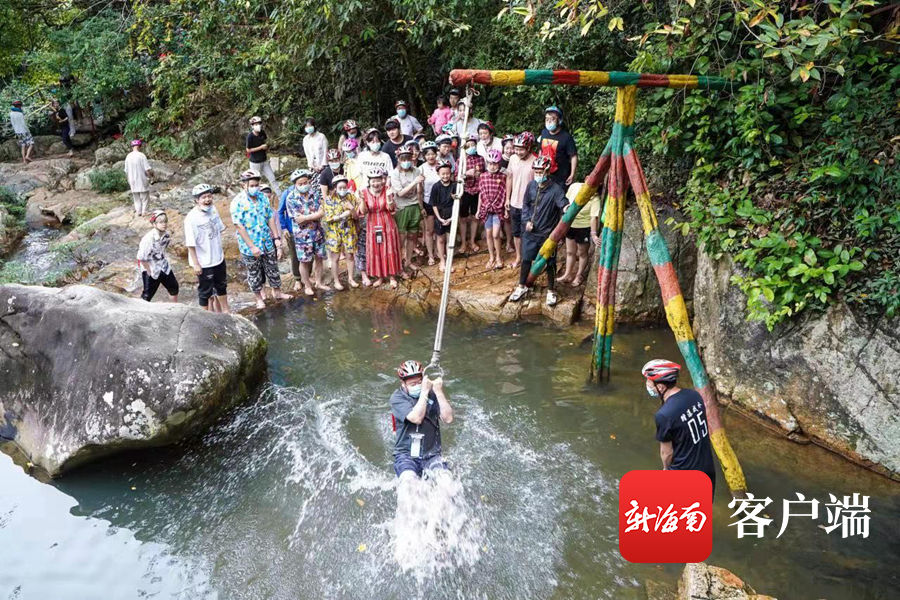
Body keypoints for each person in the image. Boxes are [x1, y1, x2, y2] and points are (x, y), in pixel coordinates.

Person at [643, 359, 716, 497]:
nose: (647, 385)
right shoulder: (694, 395)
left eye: (649, 381)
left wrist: (665, 470)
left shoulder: (664, 415)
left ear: (661, 386)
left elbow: (667, 453)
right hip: (707, 471)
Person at [508, 156, 567, 307]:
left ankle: (551, 290)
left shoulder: (555, 189)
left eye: (541, 171)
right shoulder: (531, 185)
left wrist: (567, 207)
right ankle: (521, 286)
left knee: (550, 263)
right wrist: (526, 220)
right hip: (530, 233)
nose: (538, 174)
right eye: (536, 171)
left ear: (547, 171)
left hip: (547, 234)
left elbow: (563, 203)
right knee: (526, 259)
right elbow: (526, 204)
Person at [230, 169, 290, 308]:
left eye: (256, 184)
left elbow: (270, 218)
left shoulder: (263, 198)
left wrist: (276, 238)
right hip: (249, 245)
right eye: (251, 185)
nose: (255, 187)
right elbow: (239, 226)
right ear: (243, 185)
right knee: (254, 273)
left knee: (273, 267)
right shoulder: (237, 202)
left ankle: (277, 292)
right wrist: (252, 247)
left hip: (266, 241)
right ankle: (258, 299)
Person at [390, 360, 453, 479]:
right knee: (408, 482)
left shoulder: (432, 393)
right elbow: (416, 418)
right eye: (413, 384)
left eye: (420, 382)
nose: (418, 386)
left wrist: (438, 392)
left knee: (446, 481)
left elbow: (448, 418)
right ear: (403, 384)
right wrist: (424, 391)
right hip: (406, 455)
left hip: (432, 455)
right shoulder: (397, 398)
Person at [185, 183, 230, 313]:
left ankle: (226, 312)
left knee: (222, 286)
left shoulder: (213, 210)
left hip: (218, 257)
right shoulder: (191, 219)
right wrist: (196, 264)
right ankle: (204, 317)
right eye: (203, 197)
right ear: (196, 200)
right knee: (205, 291)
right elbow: (190, 244)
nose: (207, 200)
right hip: (203, 262)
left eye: (209, 196)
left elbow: (221, 228)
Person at [284, 169, 328, 296]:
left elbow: (322, 212)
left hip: (317, 233)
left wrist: (307, 217)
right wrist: (314, 216)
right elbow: (298, 219)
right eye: (300, 183)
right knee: (304, 261)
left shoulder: (314, 193)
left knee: (319, 258)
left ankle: (319, 282)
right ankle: (307, 285)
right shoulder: (291, 198)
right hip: (302, 236)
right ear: (295, 184)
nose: (304, 185)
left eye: (305, 182)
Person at [359, 168, 402, 288]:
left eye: (378, 180)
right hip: (372, 224)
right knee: (376, 249)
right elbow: (363, 211)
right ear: (369, 181)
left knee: (389, 248)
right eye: (373, 181)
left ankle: (392, 276)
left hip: (387, 222)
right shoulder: (364, 192)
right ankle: (380, 276)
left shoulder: (387, 190)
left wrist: (389, 198)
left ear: (382, 180)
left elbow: (392, 209)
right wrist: (362, 199)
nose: (376, 183)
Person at [390, 145, 425, 275]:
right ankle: (398, 265)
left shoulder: (416, 171)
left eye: (408, 158)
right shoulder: (395, 174)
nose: (406, 161)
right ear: (399, 159)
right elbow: (400, 193)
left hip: (414, 205)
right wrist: (414, 182)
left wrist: (421, 207)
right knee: (401, 237)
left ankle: (408, 261)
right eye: (403, 159)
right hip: (402, 207)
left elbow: (420, 191)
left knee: (412, 235)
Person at [558, 182, 600, 287]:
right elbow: (565, 201)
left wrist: (593, 234)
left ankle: (579, 275)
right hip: (570, 224)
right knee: (570, 252)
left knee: (582, 253)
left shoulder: (595, 199)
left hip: (584, 228)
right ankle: (567, 274)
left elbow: (593, 217)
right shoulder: (574, 186)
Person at [505, 131, 536, 269]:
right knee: (516, 232)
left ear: (528, 148)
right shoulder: (512, 159)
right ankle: (518, 256)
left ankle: (529, 258)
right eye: (516, 149)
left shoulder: (536, 161)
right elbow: (509, 177)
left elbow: (537, 185)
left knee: (529, 232)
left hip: (529, 204)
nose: (518, 152)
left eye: (521, 149)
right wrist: (507, 198)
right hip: (514, 202)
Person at [323, 175, 359, 290]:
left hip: (349, 229)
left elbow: (356, 216)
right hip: (334, 231)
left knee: (350, 255)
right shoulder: (329, 199)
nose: (343, 190)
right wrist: (343, 215)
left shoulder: (351, 197)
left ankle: (351, 278)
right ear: (335, 188)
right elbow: (329, 218)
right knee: (335, 257)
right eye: (340, 188)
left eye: (345, 187)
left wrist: (352, 209)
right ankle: (336, 281)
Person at [137, 210, 178, 303]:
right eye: (160, 222)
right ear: (154, 224)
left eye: (165, 221)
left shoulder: (166, 235)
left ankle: (175, 308)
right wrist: (148, 271)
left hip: (164, 266)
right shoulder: (148, 238)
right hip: (151, 267)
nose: (164, 224)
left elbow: (163, 249)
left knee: (174, 288)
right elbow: (141, 257)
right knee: (147, 295)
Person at [477, 149, 507, 270]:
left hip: (498, 210)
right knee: (488, 234)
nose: (492, 166)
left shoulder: (503, 177)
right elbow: (481, 194)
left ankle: (499, 257)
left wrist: (505, 209)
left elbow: (504, 193)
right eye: (490, 163)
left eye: (495, 164)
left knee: (496, 234)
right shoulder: (483, 177)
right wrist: (478, 210)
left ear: (499, 164)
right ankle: (491, 257)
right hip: (486, 209)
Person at [538, 106, 578, 188]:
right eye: (547, 119)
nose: (549, 121)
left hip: (561, 177)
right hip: (545, 174)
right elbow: (540, 151)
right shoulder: (544, 133)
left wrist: (572, 174)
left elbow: (573, 156)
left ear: (559, 121)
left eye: (552, 119)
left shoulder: (566, 137)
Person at [460, 134, 484, 254]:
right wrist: (466, 174)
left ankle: (472, 240)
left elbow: (485, 174)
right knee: (463, 218)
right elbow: (455, 177)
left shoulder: (481, 159)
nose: (471, 147)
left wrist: (480, 175)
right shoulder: (461, 160)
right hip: (465, 191)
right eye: (468, 145)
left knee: (475, 217)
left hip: (477, 191)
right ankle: (464, 242)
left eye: (473, 145)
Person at [429, 161, 455, 272]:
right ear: (439, 174)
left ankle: (449, 261)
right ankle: (442, 261)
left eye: (447, 173)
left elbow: (457, 204)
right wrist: (439, 218)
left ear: (451, 173)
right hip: (439, 215)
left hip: (451, 215)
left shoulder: (454, 186)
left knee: (450, 240)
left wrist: (452, 218)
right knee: (440, 239)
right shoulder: (435, 187)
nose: (445, 176)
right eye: (443, 174)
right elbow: (434, 204)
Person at [245, 116, 281, 196]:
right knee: (255, 182)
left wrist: (266, 147)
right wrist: (260, 147)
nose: (258, 125)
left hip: (264, 161)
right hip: (255, 163)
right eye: (256, 124)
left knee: (272, 178)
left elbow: (265, 142)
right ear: (252, 126)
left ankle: (280, 196)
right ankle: (253, 198)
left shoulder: (262, 133)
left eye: (259, 123)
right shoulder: (250, 137)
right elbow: (248, 150)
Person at [420, 141, 441, 266]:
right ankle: (430, 255)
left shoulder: (442, 165)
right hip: (427, 201)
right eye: (428, 155)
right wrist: (421, 206)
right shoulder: (421, 168)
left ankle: (439, 251)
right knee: (429, 230)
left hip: (441, 202)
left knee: (440, 229)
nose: (430, 157)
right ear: (424, 156)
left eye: (432, 154)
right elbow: (419, 189)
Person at [124, 139, 154, 216]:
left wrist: (128, 180)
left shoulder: (128, 156)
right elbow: (147, 169)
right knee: (145, 197)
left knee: (136, 198)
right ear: (139, 146)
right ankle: (145, 211)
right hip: (141, 179)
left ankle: (138, 211)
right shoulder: (141, 155)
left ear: (132, 147)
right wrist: (151, 176)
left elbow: (126, 171)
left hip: (132, 180)